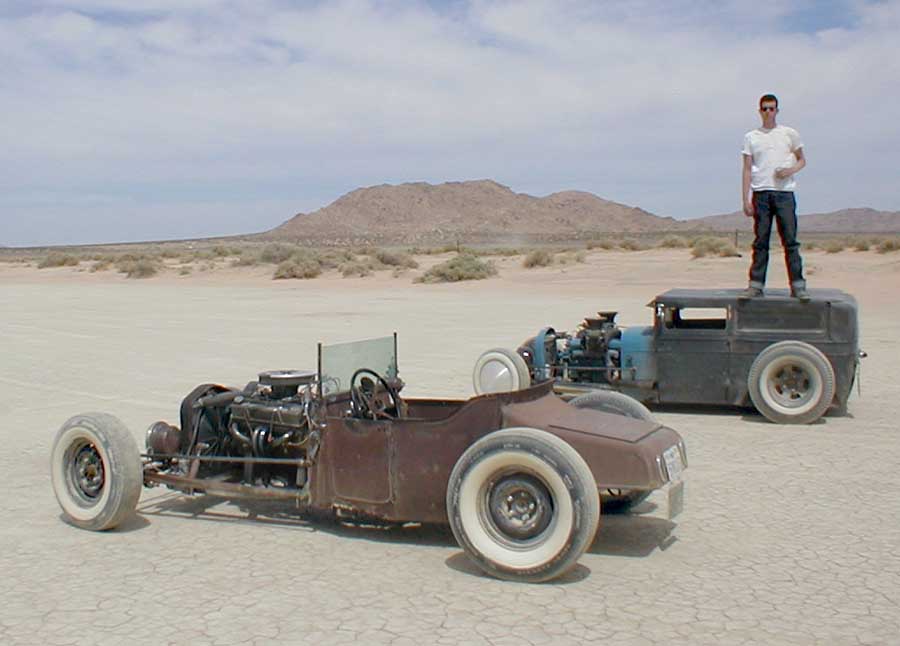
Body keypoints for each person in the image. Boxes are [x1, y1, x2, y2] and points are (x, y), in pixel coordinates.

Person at [740, 93, 809, 301]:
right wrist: (745, 198)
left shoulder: (789, 134)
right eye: (764, 108)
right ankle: (756, 284)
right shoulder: (751, 137)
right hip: (761, 194)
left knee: (790, 240)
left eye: (772, 108)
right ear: (759, 111)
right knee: (761, 240)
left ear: (777, 111)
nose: (768, 112)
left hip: (784, 194)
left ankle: (798, 285)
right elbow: (746, 169)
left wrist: (789, 170)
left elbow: (802, 160)